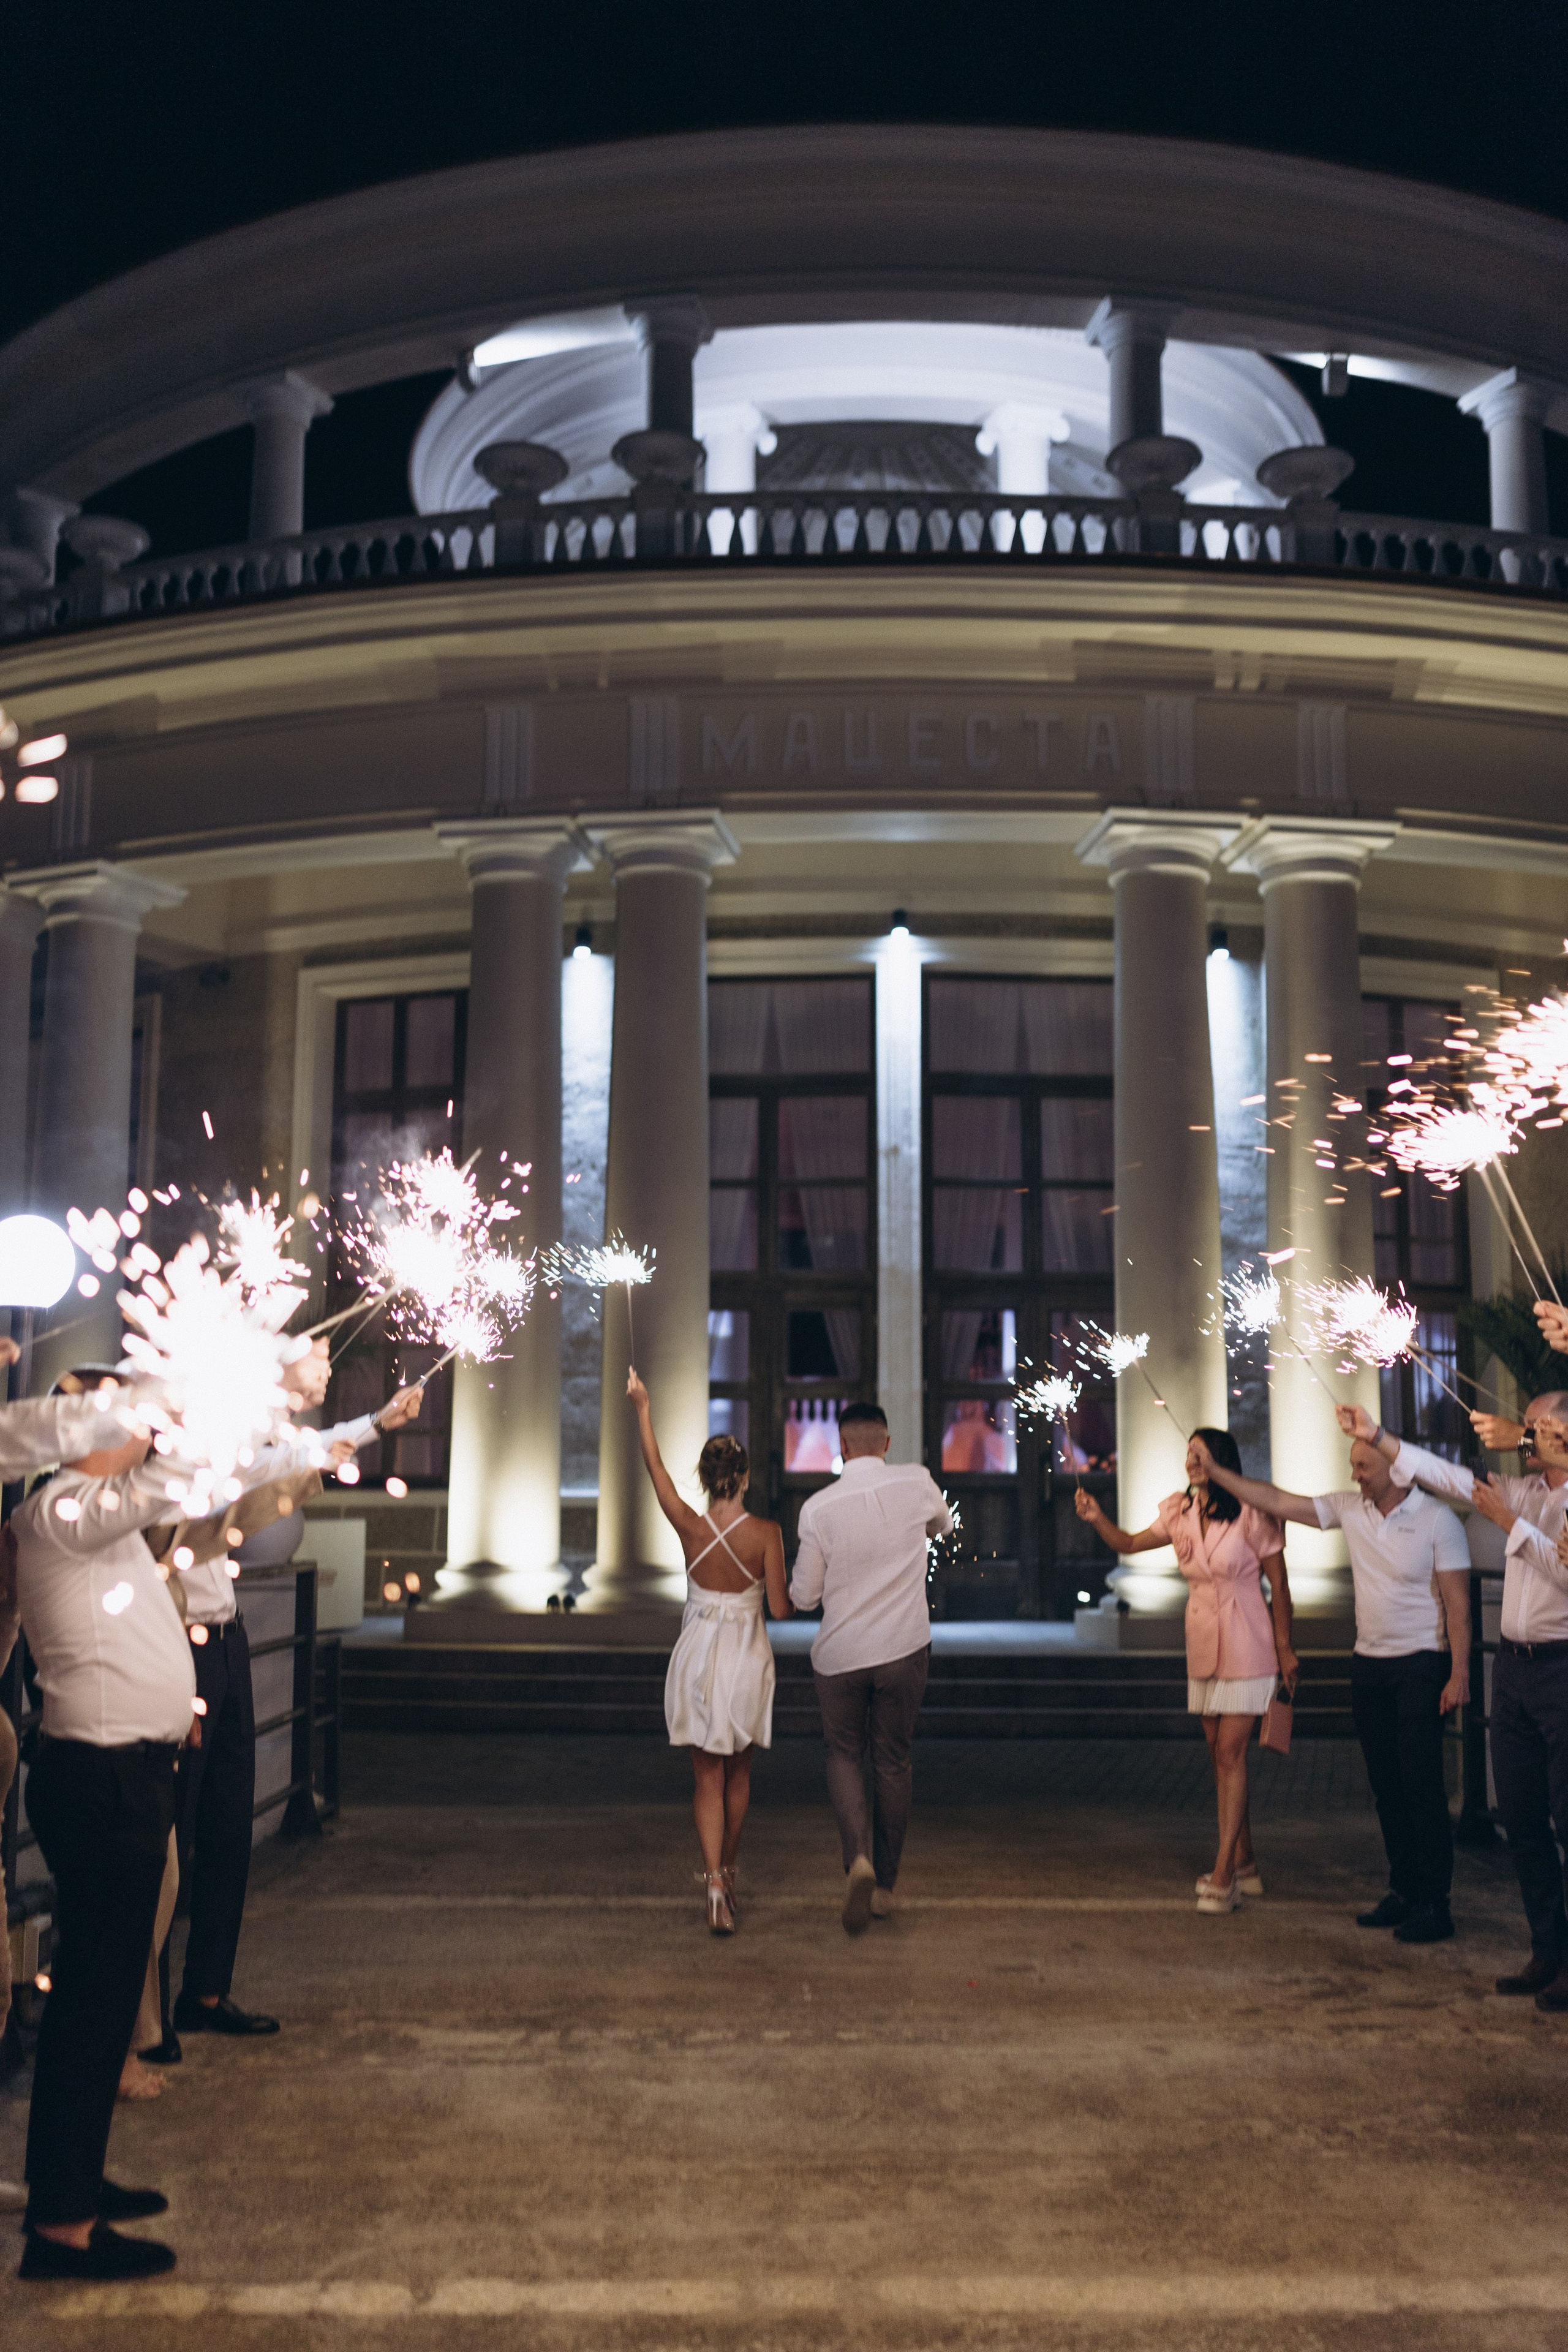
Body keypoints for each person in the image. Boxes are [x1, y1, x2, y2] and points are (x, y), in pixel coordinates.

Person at [148, 1337, 423, 2056]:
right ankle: (147, 2020)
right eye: (318, 1354)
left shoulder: (247, 1429)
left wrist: (378, 1425)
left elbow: (287, 1460)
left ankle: (205, 1989)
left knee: (230, 1821)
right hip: (181, 1642)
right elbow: (274, 1467)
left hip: (226, 1636)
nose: (328, 1364)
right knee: (171, 1835)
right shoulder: (197, 1437)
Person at [12, 1368, 195, 2281]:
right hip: (101, 1781)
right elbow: (174, 1482)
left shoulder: (98, 1516)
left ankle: (71, 2185)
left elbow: (185, 1486)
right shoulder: (59, 1513)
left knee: (100, 2003)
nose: (146, 1431)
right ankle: (63, 2228)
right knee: (89, 2010)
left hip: (120, 1776)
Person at [1188, 1427, 1471, 1943]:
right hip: (1369, 1664)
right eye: (1353, 1466)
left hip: (1421, 1664)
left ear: (1398, 1469)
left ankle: (1436, 1902)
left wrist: (1460, 1673)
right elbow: (1275, 1500)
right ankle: (1404, 1890)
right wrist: (1220, 1472)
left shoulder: (1438, 1521)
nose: (1354, 1475)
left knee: (1421, 1784)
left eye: (1364, 1467)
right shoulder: (1350, 1509)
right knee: (1386, 1785)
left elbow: (1458, 1605)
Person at [1339, 1395, 1568, 2009]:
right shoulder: (1527, 1492)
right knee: (1522, 1821)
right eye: (1526, 1425)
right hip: (1516, 1667)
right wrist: (1381, 1436)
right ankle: (1548, 1951)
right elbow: (1446, 1477)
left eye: (1537, 1427)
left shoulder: (1540, 1504)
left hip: (1560, 1666)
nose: (1525, 1435)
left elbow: (1566, 1571)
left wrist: (1508, 1524)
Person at [1076, 1428, 1298, 1914]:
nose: (1191, 1461)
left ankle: (1223, 1875)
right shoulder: (1179, 1510)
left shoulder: (1253, 1513)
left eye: (1201, 1454)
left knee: (1230, 1751)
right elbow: (1131, 1543)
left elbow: (1279, 1586)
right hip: (1201, 1642)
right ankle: (1245, 1863)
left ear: (1222, 1462)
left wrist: (1285, 1649)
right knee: (1219, 1755)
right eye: (1189, 1454)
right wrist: (1097, 1518)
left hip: (1248, 1640)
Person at [627, 1369, 790, 1935]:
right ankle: (728, 1874)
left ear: (705, 1476)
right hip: (746, 1653)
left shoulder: (689, 1527)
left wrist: (644, 1407)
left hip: (698, 1652)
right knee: (739, 1775)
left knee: (706, 1779)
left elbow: (655, 1471)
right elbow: (784, 1610)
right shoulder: (765, 1533)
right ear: (743, 1476)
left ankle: (714, 1883)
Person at [788, 1401, 951, 1935]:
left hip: (840, 1655)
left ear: (841, 1448)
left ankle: (856, 1857)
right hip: (904, 1648)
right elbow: (942, 1528)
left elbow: (806, 1597)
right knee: (893, 1760)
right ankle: (884, 1885)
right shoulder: (917, 1482)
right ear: (886, 1443)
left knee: (843, 1752)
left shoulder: (817, 1509)